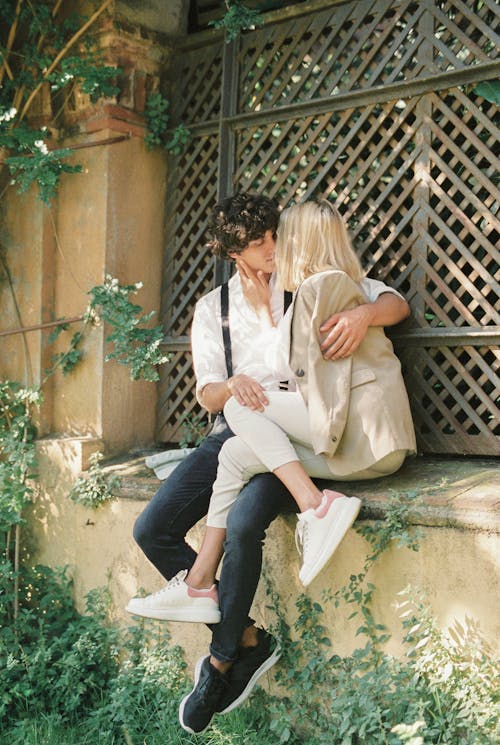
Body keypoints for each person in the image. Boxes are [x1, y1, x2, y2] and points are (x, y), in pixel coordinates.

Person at [128, 193, 412, 734]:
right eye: (260, 246)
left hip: (306, 431)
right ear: (235, 254)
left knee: (243, 523)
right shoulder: (215, 309)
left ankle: (221, 661)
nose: (273, 250)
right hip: (241, 425)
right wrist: (230, 387)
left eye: (274, 237)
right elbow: (209, 393)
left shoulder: (304, 273)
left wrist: (361, 314)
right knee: (151, 529)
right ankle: (249, 637)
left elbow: (389, 301)